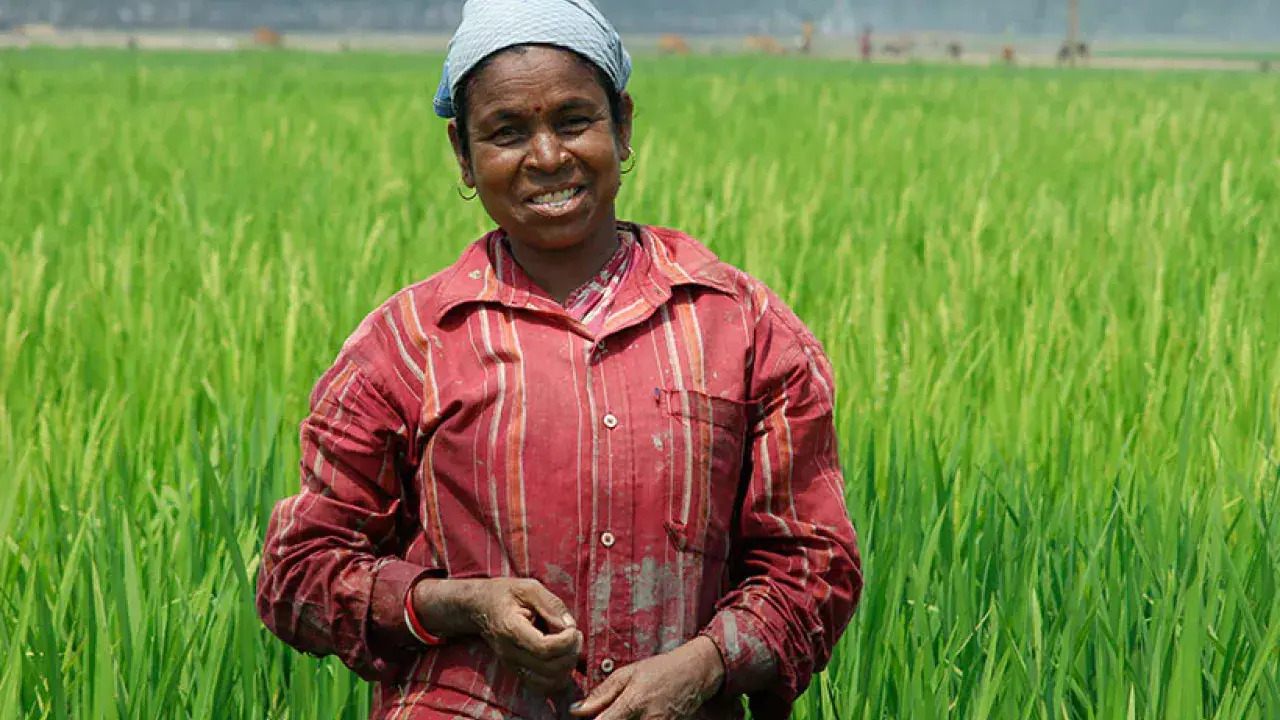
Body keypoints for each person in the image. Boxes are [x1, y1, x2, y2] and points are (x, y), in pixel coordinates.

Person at [254, 1, 862, 718]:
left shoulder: (744, 327)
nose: (547, 157)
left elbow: (814, 563)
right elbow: (296, 574)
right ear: (463, 156)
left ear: (623, 126)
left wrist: (704, 666)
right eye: (506, 133)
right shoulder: (407, 345)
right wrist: (462, 604)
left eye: (573, 121)